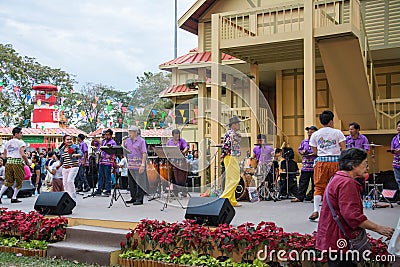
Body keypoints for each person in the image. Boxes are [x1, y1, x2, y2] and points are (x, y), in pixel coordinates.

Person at [316, 148, 394, 266]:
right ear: (353, 165)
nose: (367, 168)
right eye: (365, 164)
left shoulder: (337, 178)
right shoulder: (347, 183)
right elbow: (352, 216)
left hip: (332, 238)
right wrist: (379, 228)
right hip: (340, 241)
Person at [309, 110, 346, 221]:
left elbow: (314, 152)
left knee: (319, 187)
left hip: (321, 163)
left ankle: (316, 210)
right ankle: (338, 211)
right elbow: (344, 148)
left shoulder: (315, 134)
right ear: (331, 121)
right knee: (337, 187)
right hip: (336, 162)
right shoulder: (337, 133)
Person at [0, 127, 30, 203]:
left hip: (9, 162)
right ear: (16, 134)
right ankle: (14, 197)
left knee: (8, 181)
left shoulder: (7, 143)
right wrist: (27, 162)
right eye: (20, 133)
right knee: (19, 180)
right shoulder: (21, 142)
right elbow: (23, 154)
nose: (21, 134)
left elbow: (4, 155)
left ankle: (0, 195)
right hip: (17, 162)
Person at [220, 116, 242, 207]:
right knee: (235, 178)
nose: (239, 125)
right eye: (237, 124)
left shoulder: (229, 133)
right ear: (233, 125)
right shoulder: (232, 134)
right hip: (231, 156)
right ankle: (224, 198)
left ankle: (231, 200)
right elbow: (229, 146)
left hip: (229, 157)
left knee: (230, 179)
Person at [292, 126, 318, 202]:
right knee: (303, 182)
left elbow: (319, 152)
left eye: (311, 132)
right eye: (308, 132)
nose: (309, 133)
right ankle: (300, 197)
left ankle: (314, 197)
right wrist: (302, 152)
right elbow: (299, 149)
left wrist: (312, 153)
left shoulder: (318, 142)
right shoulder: (304, 142)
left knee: (315, 183)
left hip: (314, 165)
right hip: (305, 166)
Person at [124, 126, 147, 205]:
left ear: (136, 132)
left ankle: (139, 199)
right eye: (129, 132)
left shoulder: (141, 141)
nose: (129, 133)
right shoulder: (128, 141)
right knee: (131, 183)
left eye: (131, 132)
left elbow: (144, 153)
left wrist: (143, 164)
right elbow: (125, 150)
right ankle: (133, 197)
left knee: (140, 182)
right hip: (130, 164)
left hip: (139, 164)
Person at [58, 134, 82, 202]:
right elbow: (61, 159)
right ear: (64, 141)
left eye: (70, 139)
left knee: (70, 181)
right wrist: (58, 166)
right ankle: (67, 198)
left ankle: (73, 198)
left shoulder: (75, 147)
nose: (69, 141)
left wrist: (76, 155)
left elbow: (81, 154)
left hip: (73, 167)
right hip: (65, 167)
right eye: (67, 139)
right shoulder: (62, 149)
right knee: (65, 183)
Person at [166, 129, 189, 197]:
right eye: (175, 135)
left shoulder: (182, 141)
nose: (177, 137)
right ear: (173, 135)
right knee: (172, 176)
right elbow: (166, 150)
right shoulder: (169, 142)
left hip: (180, 161)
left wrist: (183, 152)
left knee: (181, 176)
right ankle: (175, 192)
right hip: (172, 161)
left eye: (178, 135)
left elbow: (186, 147)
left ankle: (184, 191)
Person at [95, 129, 116, 196]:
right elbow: (98, 148)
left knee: (107, 177)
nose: (106, 136)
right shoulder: (103, 141)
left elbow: (114, 151)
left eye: (108, 135)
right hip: (101, 161)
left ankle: (108, 190)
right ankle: (99, 189)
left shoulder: (113, 142)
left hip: (108, 162)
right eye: (105, 134)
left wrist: (109, 156)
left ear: (111, 135)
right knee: (100, 176)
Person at [390, 120, 400, 205]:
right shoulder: (395, 138)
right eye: (398, 126)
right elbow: (392, 149)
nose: (399, 128)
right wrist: (394, 151)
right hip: (396, 162)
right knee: (398, 180)